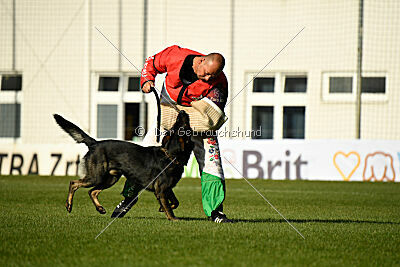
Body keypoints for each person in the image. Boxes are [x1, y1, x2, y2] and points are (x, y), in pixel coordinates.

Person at [111, 45, 232, 223]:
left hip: (197, 120)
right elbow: (151, 63)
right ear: (201, 61)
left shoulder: (219, 81)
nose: (208, 79)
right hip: (168, 113)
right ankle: (129, 198)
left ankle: (215, 211)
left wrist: (192, 119)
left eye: (211, 76)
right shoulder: (175, 55)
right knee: (142, 155)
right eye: (206, 73)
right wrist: (146, 80)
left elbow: (212, 114)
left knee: (212, 164)